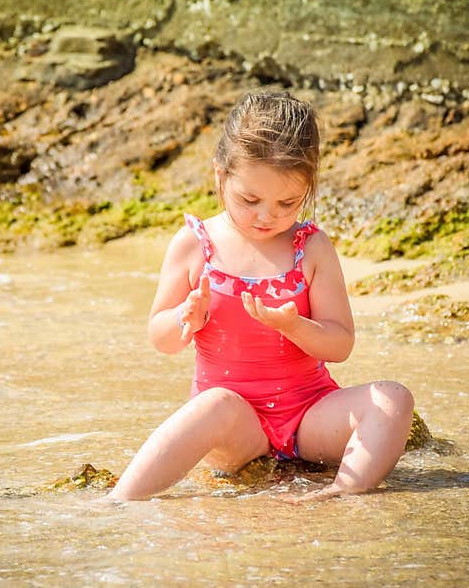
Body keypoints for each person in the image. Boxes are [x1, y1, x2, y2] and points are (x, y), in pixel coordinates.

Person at [107, 90, 414, 504]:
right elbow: (160, 338)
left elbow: (340, 343)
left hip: (309, 415)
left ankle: (347, 488)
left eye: (287, 203)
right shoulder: (195, 245)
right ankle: (120, 501)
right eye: (249, 200)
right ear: (221, 176)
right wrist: (187, 317)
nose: (267, 216)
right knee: (215, 404)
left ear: (307, 188)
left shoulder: (311, 247)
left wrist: (294, 326)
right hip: (235, 429)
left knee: (393, 398)